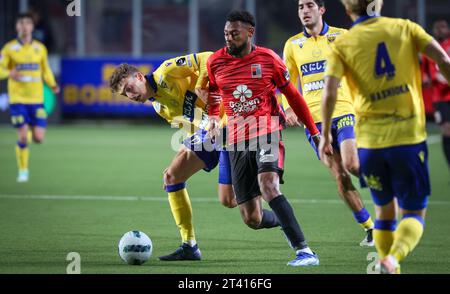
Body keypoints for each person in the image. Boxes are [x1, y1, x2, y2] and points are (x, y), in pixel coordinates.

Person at [319, 0, 450, 273]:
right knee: (413, 213)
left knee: (384, 213)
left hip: (369, 143)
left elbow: (329, 92)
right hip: (408, 139)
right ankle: (393, 259)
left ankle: (388, 266)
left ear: (347, 10)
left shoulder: (343, 44)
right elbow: (443, 60)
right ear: (379, 4)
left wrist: (324, 136)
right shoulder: (404, 28)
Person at [207, 10, 328, 267]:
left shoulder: (269, 59)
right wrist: (213, 119)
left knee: (269, 185)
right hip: (236, 141)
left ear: (250, 32)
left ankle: (304, 251)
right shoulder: (215, 62)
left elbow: (294, 97)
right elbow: (215, 93)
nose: (228, 38)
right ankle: (284, 221)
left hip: (266, 130)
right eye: (226, 33)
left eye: (234, 33)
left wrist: (315, 133)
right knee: (252, 219)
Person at [109, 52, 235, 261]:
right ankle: (190, 245)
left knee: (240, 207)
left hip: (231, 119)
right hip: (211, 132)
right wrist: (180, 156)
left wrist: (201, 85)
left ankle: (266, 197)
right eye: (125, 95)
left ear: (139, 76)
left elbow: (209, 58)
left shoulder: (167, 72)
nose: (130, 96)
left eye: (129, 88)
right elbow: (192, 128)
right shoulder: (159, 107)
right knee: (172, 177)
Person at [282, 0, 374, 247]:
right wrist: (288, 107)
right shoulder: (292, 45)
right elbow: (287, 82)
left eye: (310, 5)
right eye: (300, 7)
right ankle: (370, 228)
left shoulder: (342, 36)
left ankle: (388, 188)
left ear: (321, 9)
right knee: (340, 175)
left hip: (344, 111)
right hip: (313, 121)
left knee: (353, 165)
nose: (304, 10)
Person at [0, 13, 60, 183]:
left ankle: (30, 131)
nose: (25, 26)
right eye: (21, 23)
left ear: (32, 27)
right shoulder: (9, 49)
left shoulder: (40, 48)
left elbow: (45, 69)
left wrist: (53, 83)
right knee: (23, 137)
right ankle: (23, 171)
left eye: (28, 23)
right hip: (18, 100)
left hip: (36, 99)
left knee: (39, 138)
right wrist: (8, 72)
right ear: (17, 27)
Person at [422, 20, 450, 168]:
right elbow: (425, 74)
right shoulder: (430, 49)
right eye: (437, 28)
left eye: (443, 27)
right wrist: (426, 79)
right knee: (446, 130)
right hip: (439, 97)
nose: (440, 30)